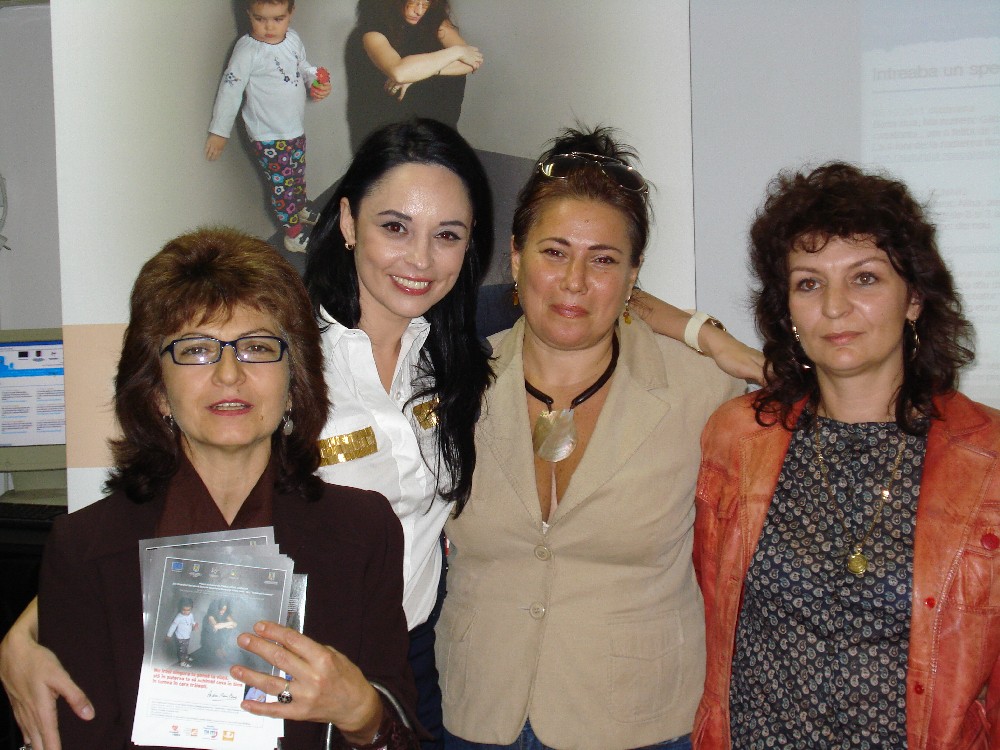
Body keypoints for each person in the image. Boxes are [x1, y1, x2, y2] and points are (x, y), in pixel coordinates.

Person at [0, 119, 763, 750]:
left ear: (473, 247)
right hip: (285, 655)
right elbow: (178, 480)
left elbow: (582, 286)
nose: (419, 260)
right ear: (346, 221)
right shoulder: (281, 351)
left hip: (421, 665)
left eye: (447, 235)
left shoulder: (462, 344)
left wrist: (704, 332)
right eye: (395, 227)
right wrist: (34, 624)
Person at [36, 228, 418, 749]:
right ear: (157, 391)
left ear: (294, 383)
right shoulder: (84, 549)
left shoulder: (363, 531)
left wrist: (363, 713)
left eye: (257, 347)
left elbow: (399, 733)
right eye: (196, 349)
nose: (229, 374)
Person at [436, 127, 746, 750]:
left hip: (638, 722)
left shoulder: (704, 390)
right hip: (479, 713)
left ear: (634, 276)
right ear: (516, 258)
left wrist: (705, 334)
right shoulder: (451, 382)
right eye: (554, 252)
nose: (574, 281)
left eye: (603, 259)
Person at [692, 163, 1000, 748]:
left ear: (913, 298)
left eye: (864, 278)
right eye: (809, 284)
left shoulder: (989, 460)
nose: (834, 307)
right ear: (787, 309)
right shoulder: (736, 437)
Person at [206, 0, 332, 254]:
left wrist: (315, 81)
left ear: (291, 13)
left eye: (278, 19)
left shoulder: (292, 39)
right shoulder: (248, 51)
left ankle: (299, 207)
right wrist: (219, 131)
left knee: (297, 174)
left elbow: (302, 66)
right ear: (248, 14)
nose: (269, 27)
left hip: (294, 127)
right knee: (282, 186)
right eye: (260, 19)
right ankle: (292, 234)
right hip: (268, 136)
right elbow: (230, 91)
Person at [345, 0, 482, 150]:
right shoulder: (372, 33)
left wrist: (416, 75)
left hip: (440, 128)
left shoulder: (438, 23)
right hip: (394, 133)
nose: (419, 11)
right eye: (413, 3)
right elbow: (399, 72)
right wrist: (456, 52)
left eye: (426, 3)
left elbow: (471, 62)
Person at [197, 599, 238, 666]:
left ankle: (226, 662)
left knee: (224, 653)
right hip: (209, 639)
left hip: (219, 638)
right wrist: (230, 623)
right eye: (221, 609)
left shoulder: (225, 613)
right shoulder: (210, 615)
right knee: (219, 657)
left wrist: (224, 625)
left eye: (224, 610)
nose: (222, 611)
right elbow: (216, 626)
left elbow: (235, 624)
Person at [164, 597, 198, 668]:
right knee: (182, 650)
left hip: (187, 636)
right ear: (180, 608)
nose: (186, 612)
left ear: (191, 609)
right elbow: (173, 626)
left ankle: (185, 656)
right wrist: (169, 635)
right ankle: (182, 662)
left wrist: (194, 625)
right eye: (184, 610)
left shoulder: (191, 615)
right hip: (180, 637)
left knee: (185, 648)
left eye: (188, 610)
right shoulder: (179, 617)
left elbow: (192, 621)